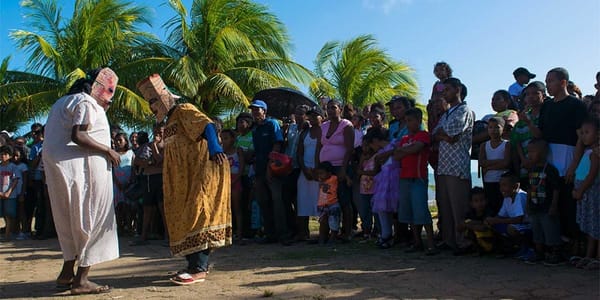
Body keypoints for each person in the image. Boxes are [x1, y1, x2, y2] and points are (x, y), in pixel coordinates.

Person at [137, 74, 231, 285]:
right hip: (182, 179)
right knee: (184, 218)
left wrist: (215, 148)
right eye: (149, 102)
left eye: (154, 101)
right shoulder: (169, 121)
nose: (152, 106)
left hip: (201, 173)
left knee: (199, 214)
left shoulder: (183, 110)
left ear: (165, 97)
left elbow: (206, 125)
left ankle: (199, 268)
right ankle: (192, 264)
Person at [43, 67, 121, 295]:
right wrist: (108, 150)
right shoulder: (86, 102)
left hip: (63, 170)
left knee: (70, 220)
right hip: (82, 171)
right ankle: (81, 280)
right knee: (92, 218)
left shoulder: (62, 102)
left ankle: (66, 273)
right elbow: (79, 135)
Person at [538, 67, 588, 245]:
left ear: (563, 82)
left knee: (568, 204)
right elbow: (541, 134)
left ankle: (574, 245)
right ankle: (554, 244)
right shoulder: (547, 106)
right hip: (549, 159)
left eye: (550, 81)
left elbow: (581, 137)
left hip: (569, 156)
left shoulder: (576, 105)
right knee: (551, 202)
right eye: (546, 81)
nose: (547, 85)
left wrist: (574, 165)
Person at [433, 77, 474, 254]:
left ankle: (463, 242)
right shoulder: (447, 113)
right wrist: (445, 136)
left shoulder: (464, 110)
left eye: (448, 90)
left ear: (457, 89)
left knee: (459, 207)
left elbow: (452, 134)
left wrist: (445, 135)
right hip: (443, 165)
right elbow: (436, 134)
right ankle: (449, 240)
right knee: (446, 207)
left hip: (457, 166)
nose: (445, 93)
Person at [395, 108, 438, 255]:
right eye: (406, 121)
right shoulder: (405, 139)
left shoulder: (424, 135)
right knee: (410, 212)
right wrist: (408, 150)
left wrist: (406, 151)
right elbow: (396, 155)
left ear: (419, 121)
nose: (408, 124)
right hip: (404, 177)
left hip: (418, 177)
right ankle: (417, 241)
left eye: (410, 121)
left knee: (421, 211)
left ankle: (431, 244)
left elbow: (417, 149)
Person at [249, 99, 291, 245]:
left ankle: (283, 234)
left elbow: (277, 145)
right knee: (263, 201)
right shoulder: (254, 129)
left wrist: (269, 167)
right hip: (259, 169)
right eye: (253, 110)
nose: (254, 112)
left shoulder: (272, 124)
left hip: (274, 169)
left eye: (257, 109)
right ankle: (270, 233)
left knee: (277, 201)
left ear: (264, 111)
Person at [319, 99, 354, 241]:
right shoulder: (324, 125)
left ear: (340, 109)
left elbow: (350, 148)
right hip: (326, 169)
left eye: (334, 107)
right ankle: (329, 232)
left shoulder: (346, 125)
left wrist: (343, 170)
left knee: (344, 199)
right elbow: (319, 146)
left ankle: (347, 232)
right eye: (328, 108)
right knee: (327, 199)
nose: (331, 110)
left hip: (340, 166)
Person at [523, 139, 561, 265]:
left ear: (543, 152)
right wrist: (528, 204)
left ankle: (554, 254)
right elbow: (529, 188)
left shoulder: (550, 170)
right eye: (528, 152)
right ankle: (539, 252)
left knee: (550, 230)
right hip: (534, 206)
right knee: (537, 231)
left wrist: (554, 205)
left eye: (533, 151)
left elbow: (556, 189)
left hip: (547, 207)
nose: (529, 155)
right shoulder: (531, 170)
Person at [572, 117, 600, 270]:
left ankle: (597, 257)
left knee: (597, 225)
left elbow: (592, 175)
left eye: (587, 132)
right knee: (590, 227)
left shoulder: (595, 153)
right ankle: (588, 256)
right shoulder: (586, 151)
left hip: (592, 193)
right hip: (583, 193)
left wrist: (580, 190)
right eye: (581, 133)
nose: (583, 136)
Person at [132, 123, 165, 245]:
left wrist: (155, 146)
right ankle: (143, 236)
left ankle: (168, 236)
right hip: (147, 179)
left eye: (160, 131)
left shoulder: (167, 144)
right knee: (147, 208)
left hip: (160, 178)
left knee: (162, 208)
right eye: (155, 131)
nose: (157, 134)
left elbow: (160, 160)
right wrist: (150, 162)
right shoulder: (146, 146)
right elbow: (138, 161)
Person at [365, 127, 398, 249]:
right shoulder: (381, 153)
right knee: (382, 208)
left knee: (390, 208)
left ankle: (389, 234)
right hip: (384, 181)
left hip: (393, 180)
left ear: (375, 140)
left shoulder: (393, 145)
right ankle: (386, 233)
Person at [484, 172, 531, 257]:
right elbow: (500, 216)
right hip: (517, 225)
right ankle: (508, 247)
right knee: (491, 225)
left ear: (516, 186)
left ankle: (526, 247)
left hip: (527, 226)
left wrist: (496, 220)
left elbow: (519, 219)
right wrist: (490, 220)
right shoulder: (507, 197)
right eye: (500, 185)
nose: (501, 189)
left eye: (504, 185)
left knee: (510, 228)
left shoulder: (520, 196)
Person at [512, 81, 546, 188]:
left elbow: (541, 137)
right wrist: (523, 160)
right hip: (525, 168)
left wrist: (529, 122)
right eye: (527, 94)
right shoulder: (522, 119)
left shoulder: (546, 115)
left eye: (535, 93)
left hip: (543, 167)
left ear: (543, 96)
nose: (531, 97)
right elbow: (516, 142)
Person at [296, 106, 323, 240]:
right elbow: (299, 153)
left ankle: (322, 232)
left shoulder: (325, 132)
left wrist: (318, 170)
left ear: (321, 117)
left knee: (322, 203)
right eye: (310, 116)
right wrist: (305, 169)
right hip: (305, 171)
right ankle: (303, 233)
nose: (312, 118)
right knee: (303, 201)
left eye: (315, 116)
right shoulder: (304, 133)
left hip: (320, 172)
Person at [479, 117, 511, 214]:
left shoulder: (507, 145)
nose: (494, 130)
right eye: (490, 127)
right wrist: (498, 162)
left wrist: (489, 167)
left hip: (502, 182)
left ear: (503, 129)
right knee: (492, 207)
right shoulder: (484, 145)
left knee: (502, 207)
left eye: (497, 127)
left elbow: (506, 163)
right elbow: (481, 162)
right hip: (488, 181)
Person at [221, 129, 245, 241]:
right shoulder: (221, 152)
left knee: (237, 209)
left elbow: (241, 168)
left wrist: (235, 181)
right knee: (225, 209)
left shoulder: (238, 150)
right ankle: (226, 235)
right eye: (222, 138)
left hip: (235, 180)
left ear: (232, 139)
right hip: (224, 181)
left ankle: (239, 234)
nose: (224, 141)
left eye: (226, 138)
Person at [457, 187, 495, 255]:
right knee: (468, 229)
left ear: (486, 201)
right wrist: (467, 224)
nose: (479, 203)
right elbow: (459, 227)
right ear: (471, 203)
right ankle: (474, 248)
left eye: (482, 200)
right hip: (477, 240)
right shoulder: (470, 213)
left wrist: (468, 224)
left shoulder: (489, 212)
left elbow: (483, 227)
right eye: (476, 201)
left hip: (489, 241)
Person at [112, 132, 135, 235]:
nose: (118, 142)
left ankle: (129, 227)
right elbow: (111, 170)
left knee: (128, 207)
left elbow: (134, 169)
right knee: (118, 207)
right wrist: (117, 182)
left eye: (120, 140)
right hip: (116, 184)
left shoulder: (131, 153)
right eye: (116, 140)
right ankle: (119, 228)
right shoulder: (112, 153)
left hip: (128, 184)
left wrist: (130, 182)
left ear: (126, 141)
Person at [315, 161, 341, 245]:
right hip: (322, 204)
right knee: (323, 221)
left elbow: (342, 177)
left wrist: (348, 179)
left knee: (333, 221)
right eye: (319, 173)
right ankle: (322, 237)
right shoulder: (320, 179)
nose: (320, 175)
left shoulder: (334, 178)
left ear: (329, 173)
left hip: (333, 203)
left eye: (322, 173)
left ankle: (333, 237)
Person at [0, 145, 21, 241]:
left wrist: (9, 192)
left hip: (10, 195)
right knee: (4, 214)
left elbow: (15, 181)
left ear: (10, 156)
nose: (2, 156)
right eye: (1, 154)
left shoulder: (13, 167)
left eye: (5, 154)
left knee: (9, 215)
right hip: (0, 194)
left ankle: (8, 235)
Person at [13, 146, 29, 240]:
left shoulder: (23, 166)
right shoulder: (12, 166)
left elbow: (25, 181)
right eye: (14, 156)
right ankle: (16, 230)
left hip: (20, 192)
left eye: (17, 156)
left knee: (21, 212)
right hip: (13, 192)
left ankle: (24, 231)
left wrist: (22, 193)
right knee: (15, 212)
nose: (15, 158)